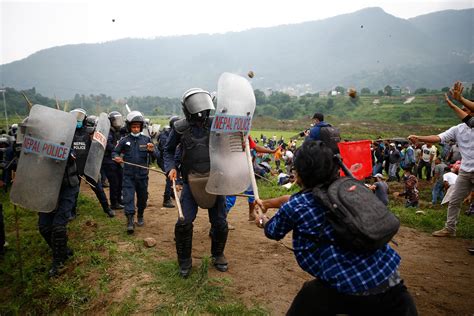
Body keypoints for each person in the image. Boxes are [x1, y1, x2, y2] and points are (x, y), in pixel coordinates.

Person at [255, 140, 417, 315]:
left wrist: (262, 219)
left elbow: (272, 230)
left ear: (300, 174)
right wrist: (270, 203)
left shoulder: (298, 206)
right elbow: (293, 199)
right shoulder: (352, 188)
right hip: (392, 283)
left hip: (348, 287)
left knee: (308, 298)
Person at [164, 88, 229, 277]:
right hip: (191, 180)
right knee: (184, 221)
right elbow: (168, 151)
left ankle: (218, 255)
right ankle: (184, 261)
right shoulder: (180, 128)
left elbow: (228, 142)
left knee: (220, 222)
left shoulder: (216, 124)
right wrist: (171, 168)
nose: (200, 113)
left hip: (215, 180)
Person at [408, 102, 473, 237]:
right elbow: (438, 138)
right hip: (465, 171)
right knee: (454, 201)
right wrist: (418, 137)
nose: (462, 111)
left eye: (466, 109)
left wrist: (457, 100)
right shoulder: (458, 129)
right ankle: (450, 229)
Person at [38, 139, 79, 277]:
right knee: (44, 227)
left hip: (67, 187)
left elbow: (72, 156)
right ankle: (63, 250)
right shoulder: (37, 144)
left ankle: (59, 261)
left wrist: (64, 153)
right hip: (46, 189)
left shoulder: (65, 140)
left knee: (58, 226)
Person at [113, 111, 155, 234]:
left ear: (141, 127)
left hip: (142, 176)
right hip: (128, 176)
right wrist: (117, 157)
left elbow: (156, 155)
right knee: (128, 198)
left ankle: (140, 214)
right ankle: (130, 221)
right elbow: (114, 152)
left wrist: (151, 151)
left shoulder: (147, 140)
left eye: (138, 127)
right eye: (133, 127)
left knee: (143, 198)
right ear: (129, 127)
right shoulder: (124, 140)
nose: (136, 129)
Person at [70, 109, 115, 219]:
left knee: (98, 188)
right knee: (73, 191)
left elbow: (98, 147)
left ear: (85, 119)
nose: (77, 121)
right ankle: (72, 212)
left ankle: (107, 208)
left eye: (79, 118)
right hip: (74, 166)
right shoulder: (69, 132)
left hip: (89, 165)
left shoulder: (90, 132)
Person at [156, 116, 180, 208]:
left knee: (175, 176)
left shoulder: (178, 133)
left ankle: (172, 193)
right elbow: (166, 148)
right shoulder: (165, 134)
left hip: (171, 159)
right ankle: (166, 200)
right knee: (170, 178)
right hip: (163, 159)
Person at [103, 111, 125, 210]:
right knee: (114, 182)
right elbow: (107, 145)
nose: (118, 123)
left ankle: (119, 199)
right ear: (111, 121)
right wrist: (118, 149)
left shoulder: (118, 131)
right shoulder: (108, 132)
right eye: (116, 120)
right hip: (109, 161)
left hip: (117, 160)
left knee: (120, 180)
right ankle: (114, 203)